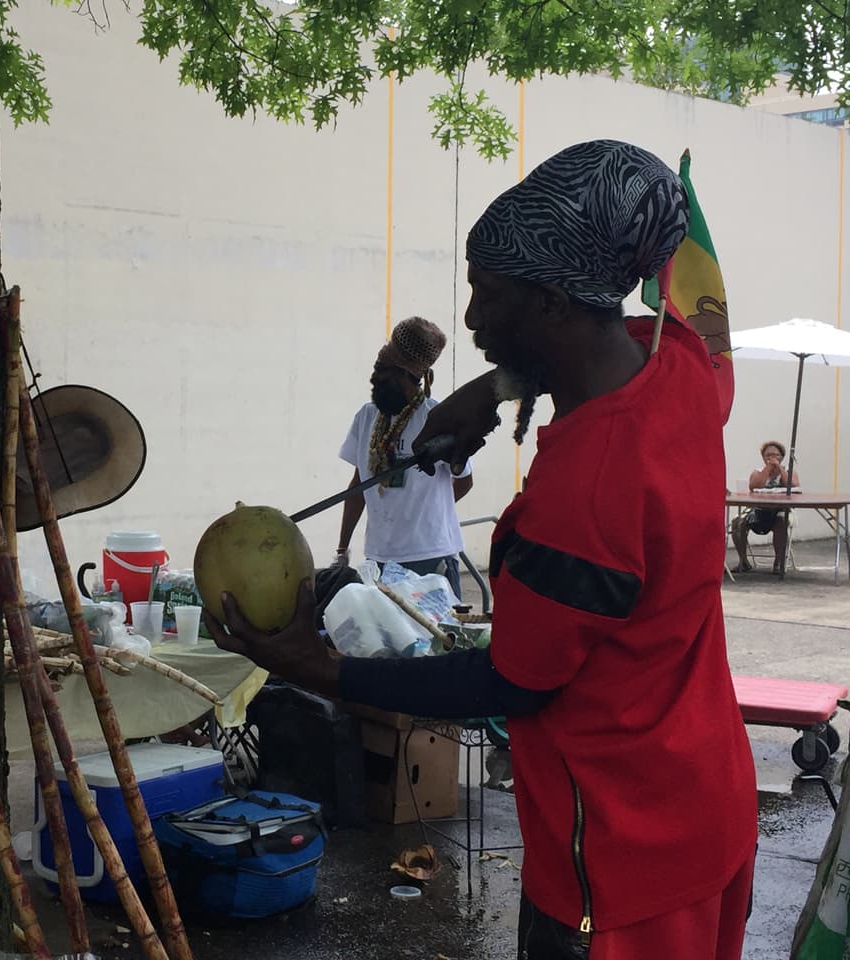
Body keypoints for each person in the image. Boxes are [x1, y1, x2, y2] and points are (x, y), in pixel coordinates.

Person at [208, 140, 757, 960]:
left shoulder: (589, 488)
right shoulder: (686, 370)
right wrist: (495, 386)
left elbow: (512, 681)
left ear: (551, 305)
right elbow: (643, 340)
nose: (469, 320)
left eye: (486, 295)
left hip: (617, 860)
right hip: (709, 808)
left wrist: (319, 668)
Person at [335, 316, 474, 598]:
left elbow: (464, 481)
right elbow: (357, 487)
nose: (375, 380)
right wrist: (342, 549)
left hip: (430, 557)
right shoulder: (366, 417)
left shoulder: (438, 418)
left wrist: (425, 512)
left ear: (403, 375)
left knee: (437, 640)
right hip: (380, 558)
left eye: (382, 372)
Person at [731, 440, 798, 574]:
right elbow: (754, 486)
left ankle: (779, 562)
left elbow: (794, 485)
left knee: (781, 521)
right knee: (737, 522)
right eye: (768, 455)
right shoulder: (757, 472)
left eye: (776, 455)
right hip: (758, 510)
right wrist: (768, 469)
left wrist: (779, 469)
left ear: (782, 457)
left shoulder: (789, 471)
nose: (772, 458)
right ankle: (743, 561)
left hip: (781, 510)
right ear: (763, 457)